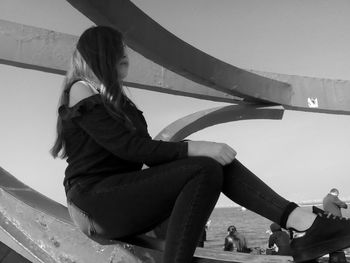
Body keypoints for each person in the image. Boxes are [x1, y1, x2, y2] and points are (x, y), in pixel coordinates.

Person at [50, 25, 350, 263]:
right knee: (204, 165)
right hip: (93, 204)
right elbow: (131, 149)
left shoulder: (116, 99)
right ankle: (304, 224)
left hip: (119, 196)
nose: (126, 52)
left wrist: (199, 149)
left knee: (214, 163)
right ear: (103, 52)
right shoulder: (81, 89)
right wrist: (196, 148)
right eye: (120, 47)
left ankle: (304, 223)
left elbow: (147, 155)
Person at [323, 189, 348, 263]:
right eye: (337, 195)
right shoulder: (333, 198)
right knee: (339, 239)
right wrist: (342, 202)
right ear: (335, 194)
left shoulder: (325, 198)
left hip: (329, 221)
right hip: (336, 221)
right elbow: (344, 206)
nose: (337, 196)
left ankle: (334, 255)